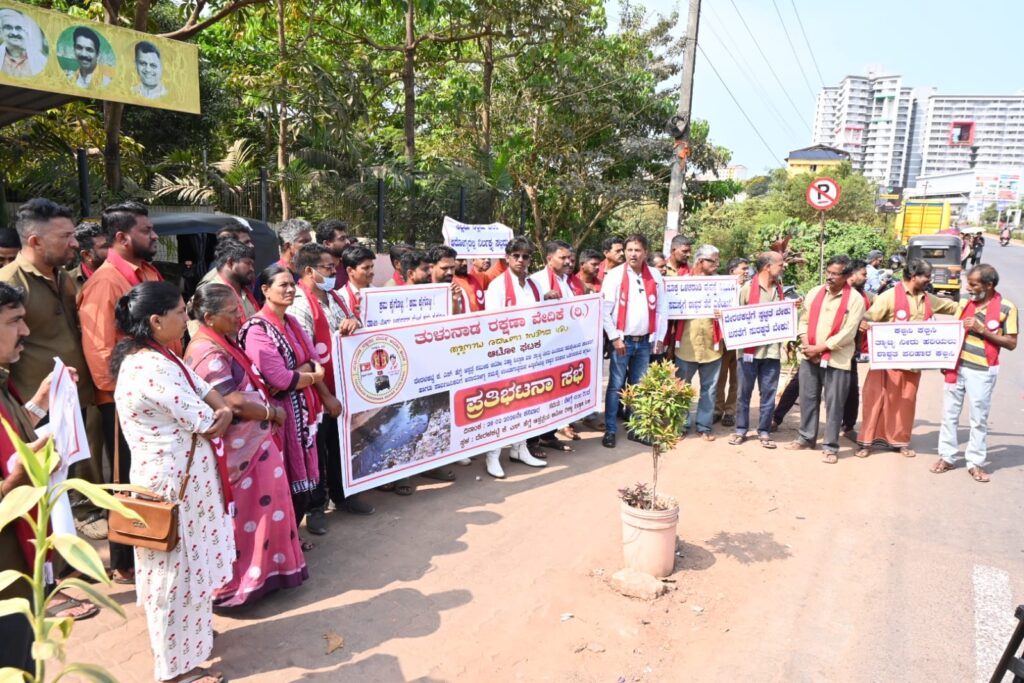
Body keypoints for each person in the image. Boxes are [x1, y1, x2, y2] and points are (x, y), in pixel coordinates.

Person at [112, 281, 234, 683]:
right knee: (172, 578)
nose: (188, 319)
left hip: (187, 485)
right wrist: (222, 413)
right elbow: (204, 418)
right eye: (182, 313)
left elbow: (206, 392)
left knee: (190, 569)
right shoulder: (149, 367)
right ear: (156, 320)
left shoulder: (159, 354)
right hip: (170, 490)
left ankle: (191, 638)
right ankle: (175, 670)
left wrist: (224, 410)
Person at [185, 283, 309, 606]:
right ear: (209, 318)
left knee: (268, 509)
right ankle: (242, 583)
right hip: (241, 449)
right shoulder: (205, 352)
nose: (240, 318)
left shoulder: (222, 343)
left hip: (255, 441)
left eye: (240, 310)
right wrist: (272, 411)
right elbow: (232, 402)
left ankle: (268, 573)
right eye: (232, 313)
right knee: (249, 516)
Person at [0, 281, 97, 670]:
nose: (25, 331)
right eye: (14, 321)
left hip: (21, 567)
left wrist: (39, 404)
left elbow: (10, 437)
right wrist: (20, 479)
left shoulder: (4, 383)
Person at [1, 199, 108, 541]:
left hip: (75, 394)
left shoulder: (64, 278)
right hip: (35, 406)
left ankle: (78, 528)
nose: (76, 243)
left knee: (81, 465)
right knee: (40, 492)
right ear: (35, 241)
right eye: (66, 236)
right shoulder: (10, 282)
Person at [79, 201, 170, 584]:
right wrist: (128, 395)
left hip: (154, 393)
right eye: (147, 231)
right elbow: (100, 352)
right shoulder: (106, 282)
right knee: (125, 478)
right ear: (122, 236)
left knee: (147, 476)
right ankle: (123, 561)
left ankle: (148, 541)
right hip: (124, 401)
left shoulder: (146, 271)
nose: (154, 236)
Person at [239, 265, 326, 545]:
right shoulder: (256, 329)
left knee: (302, 481)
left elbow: (313, 360)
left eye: (292, 285)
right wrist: (308, 376)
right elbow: (277, 378)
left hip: (303, 412)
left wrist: (300, 376)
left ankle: (292, 538)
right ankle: (284, 543)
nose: (290, 290)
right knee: (284, 482)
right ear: (265, 290)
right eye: (283, 285)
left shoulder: (292, 322)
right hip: (279, 416)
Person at [288, 244, 371, 520]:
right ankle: (316, 508)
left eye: (333, 267)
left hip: (343, 386)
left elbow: (353, 321)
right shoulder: (299, 303)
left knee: (339, 446)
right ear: (309, 271)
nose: (333, 272)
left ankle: (343, 495)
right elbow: (305, 358)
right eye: (327, 268)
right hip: (316, 392)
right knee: (317, 452)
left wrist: (353, 322)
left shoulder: (334, 296)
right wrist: (326, 397)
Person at [856, 258, 958, 458]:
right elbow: (868, 318)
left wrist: (976, 307)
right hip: (886, 363)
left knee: (906, 403)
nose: (929, 280)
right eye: (926, 276)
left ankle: (900, 441)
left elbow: (951, 308)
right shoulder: (889, 296)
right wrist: (865, 325)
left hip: (912, 365)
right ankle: (867, 442)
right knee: (877, 400)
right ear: (913, 276)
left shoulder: (927, 298)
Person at [931, 265, 1017, 482]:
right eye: (968, 283)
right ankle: (947, 457)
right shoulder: (962, 303)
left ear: (989, 285)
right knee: (949, 415)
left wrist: (982, 330)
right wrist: (944, 357)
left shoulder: (1007, 308)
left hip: (982, 371)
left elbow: (1011, 343)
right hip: (956, 368)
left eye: (974, 284)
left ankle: (975, 462)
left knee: (978, 418)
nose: (968, 287)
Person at [786, 255, 865, 464]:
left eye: (835, 274)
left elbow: (848, 334)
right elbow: (803, 320)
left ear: (847, 275)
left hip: (837, 360)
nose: (829, 277)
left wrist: (820, 348)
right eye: (828, 272)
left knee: (834, 403)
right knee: (807, 398)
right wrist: (806, 344)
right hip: (809, 356)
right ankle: (806, 437)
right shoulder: (815, 292)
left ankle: (830, 446)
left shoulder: (855, 300)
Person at [480, 237, 548, 476]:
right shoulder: (497, 286)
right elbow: (492, 323)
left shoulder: (534, 286)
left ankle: (519, 448)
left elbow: (540, 318)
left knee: (525, 402)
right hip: (506, 354)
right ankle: (493, 455)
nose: (521, 260)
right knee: (501, 406)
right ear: (507, 258)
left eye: (525, 256)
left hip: (531, 354)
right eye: (516, 255)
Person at [600, 234, 667, 448]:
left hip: (645, 342)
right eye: (629, 250)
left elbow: (662, 310)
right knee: (616, 386)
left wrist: (659, 338)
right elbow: (604, 311)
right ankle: (610, 430)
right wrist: (615, 338)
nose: (632, 254)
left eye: (637, 250)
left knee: (639, 387)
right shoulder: (615, 276)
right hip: (622, 341)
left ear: (646, 252)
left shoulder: (655, 275)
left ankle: (636, 429)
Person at [728, 253, 786, 450]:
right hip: (748, 352)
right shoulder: (747, 289)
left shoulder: (779, 290)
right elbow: (736, 315)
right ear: (768, 267)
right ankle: (741, 429)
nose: (783, 267)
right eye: (780, 264)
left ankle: (764, 431)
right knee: (743, 393)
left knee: (768, 393)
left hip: (772, 352)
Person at [672, 245, 724, 441]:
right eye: (713, 261)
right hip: (686, 345)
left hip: (712, 346)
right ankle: (681, 425)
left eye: (718, 261)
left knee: (709, 389)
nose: (717, 265)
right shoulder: (682, 283)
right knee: (682, 387)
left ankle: (704, 426)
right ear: (700, 261)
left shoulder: (722, 285)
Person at [715, 256, 750, 427]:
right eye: (743, 269)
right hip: (723, 339)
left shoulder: (751, 290)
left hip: (742, 341)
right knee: (719, 376)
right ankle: (717, 409)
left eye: (747, 269)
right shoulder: (721, 289)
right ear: (732, 271)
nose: (746, 272)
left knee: (737, 378)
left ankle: (730, 411)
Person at [841, 259, 872, 438]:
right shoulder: (838, 292)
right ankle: (777, 417)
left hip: (851, 350)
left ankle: (849, 427)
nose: (866, 278)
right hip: (828, 348)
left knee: (852, 390)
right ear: (852, 274)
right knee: (799, 385)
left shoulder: (864, 295)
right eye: (863, 274)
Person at [0, 7, 47, 77]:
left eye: (18, 28)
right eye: (8, 27)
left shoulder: (41, 60)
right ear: (1, 31)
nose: (14, 33)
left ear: (25, 32)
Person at [336, 244, 375, 322]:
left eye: (372, 267)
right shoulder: (340, 297)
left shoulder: (378, 293)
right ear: (350, 271)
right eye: (366, 268)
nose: (371, 272)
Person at [68, 221, 109, 293]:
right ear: (86, 255)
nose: (112, 250)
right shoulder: (67, 283)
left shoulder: (123, 274)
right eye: (105, 247)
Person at [316, 219, 352, 290]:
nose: (348, 242)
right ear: (327, 244)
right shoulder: (316, 271)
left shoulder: (350, 267)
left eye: (346, 238)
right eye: (342, 239)